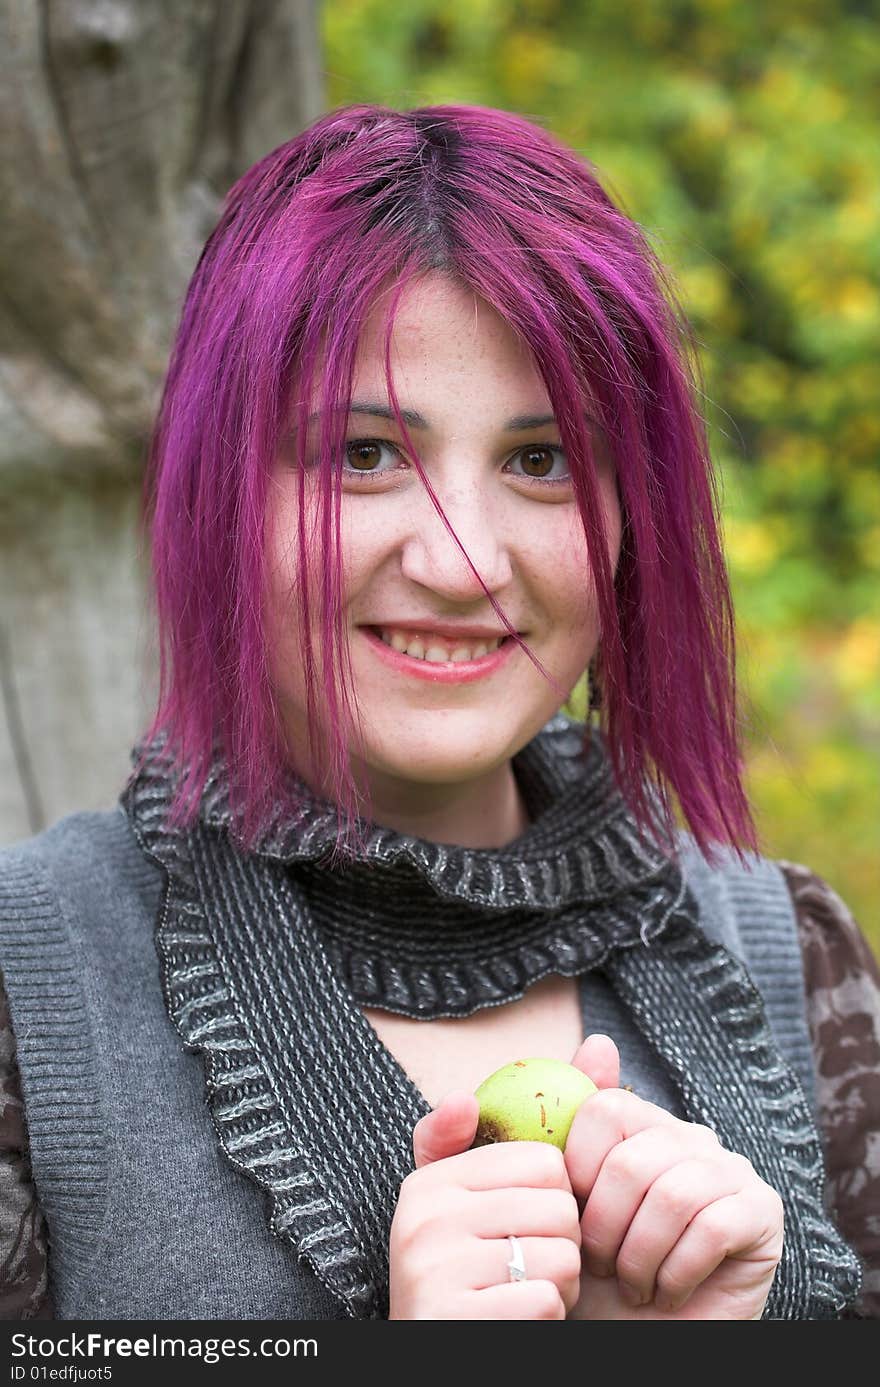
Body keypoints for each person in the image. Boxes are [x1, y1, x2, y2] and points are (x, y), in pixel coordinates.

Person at [0, 103, 877, 1323]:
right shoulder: (25, 991)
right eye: (362, 454)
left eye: (542, 459)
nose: (464, 563)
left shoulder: (799, 958)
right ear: (217, 492)